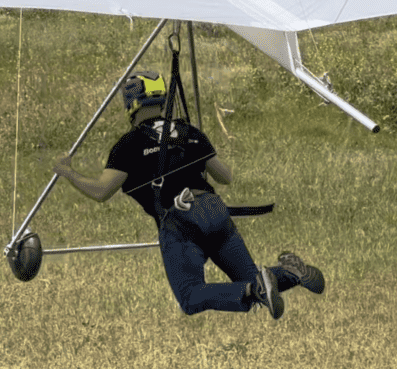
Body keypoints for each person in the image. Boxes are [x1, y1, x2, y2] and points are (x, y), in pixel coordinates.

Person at [52, 70, 325, 319]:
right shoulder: (189, 132)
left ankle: (253, 290)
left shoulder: (129, 144)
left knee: (191, 296)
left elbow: (101, 191)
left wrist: (68, 172)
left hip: (180, 219)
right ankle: (291, 272)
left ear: (132, 102)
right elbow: (225, 177)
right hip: (214, 210)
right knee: (255, 280)